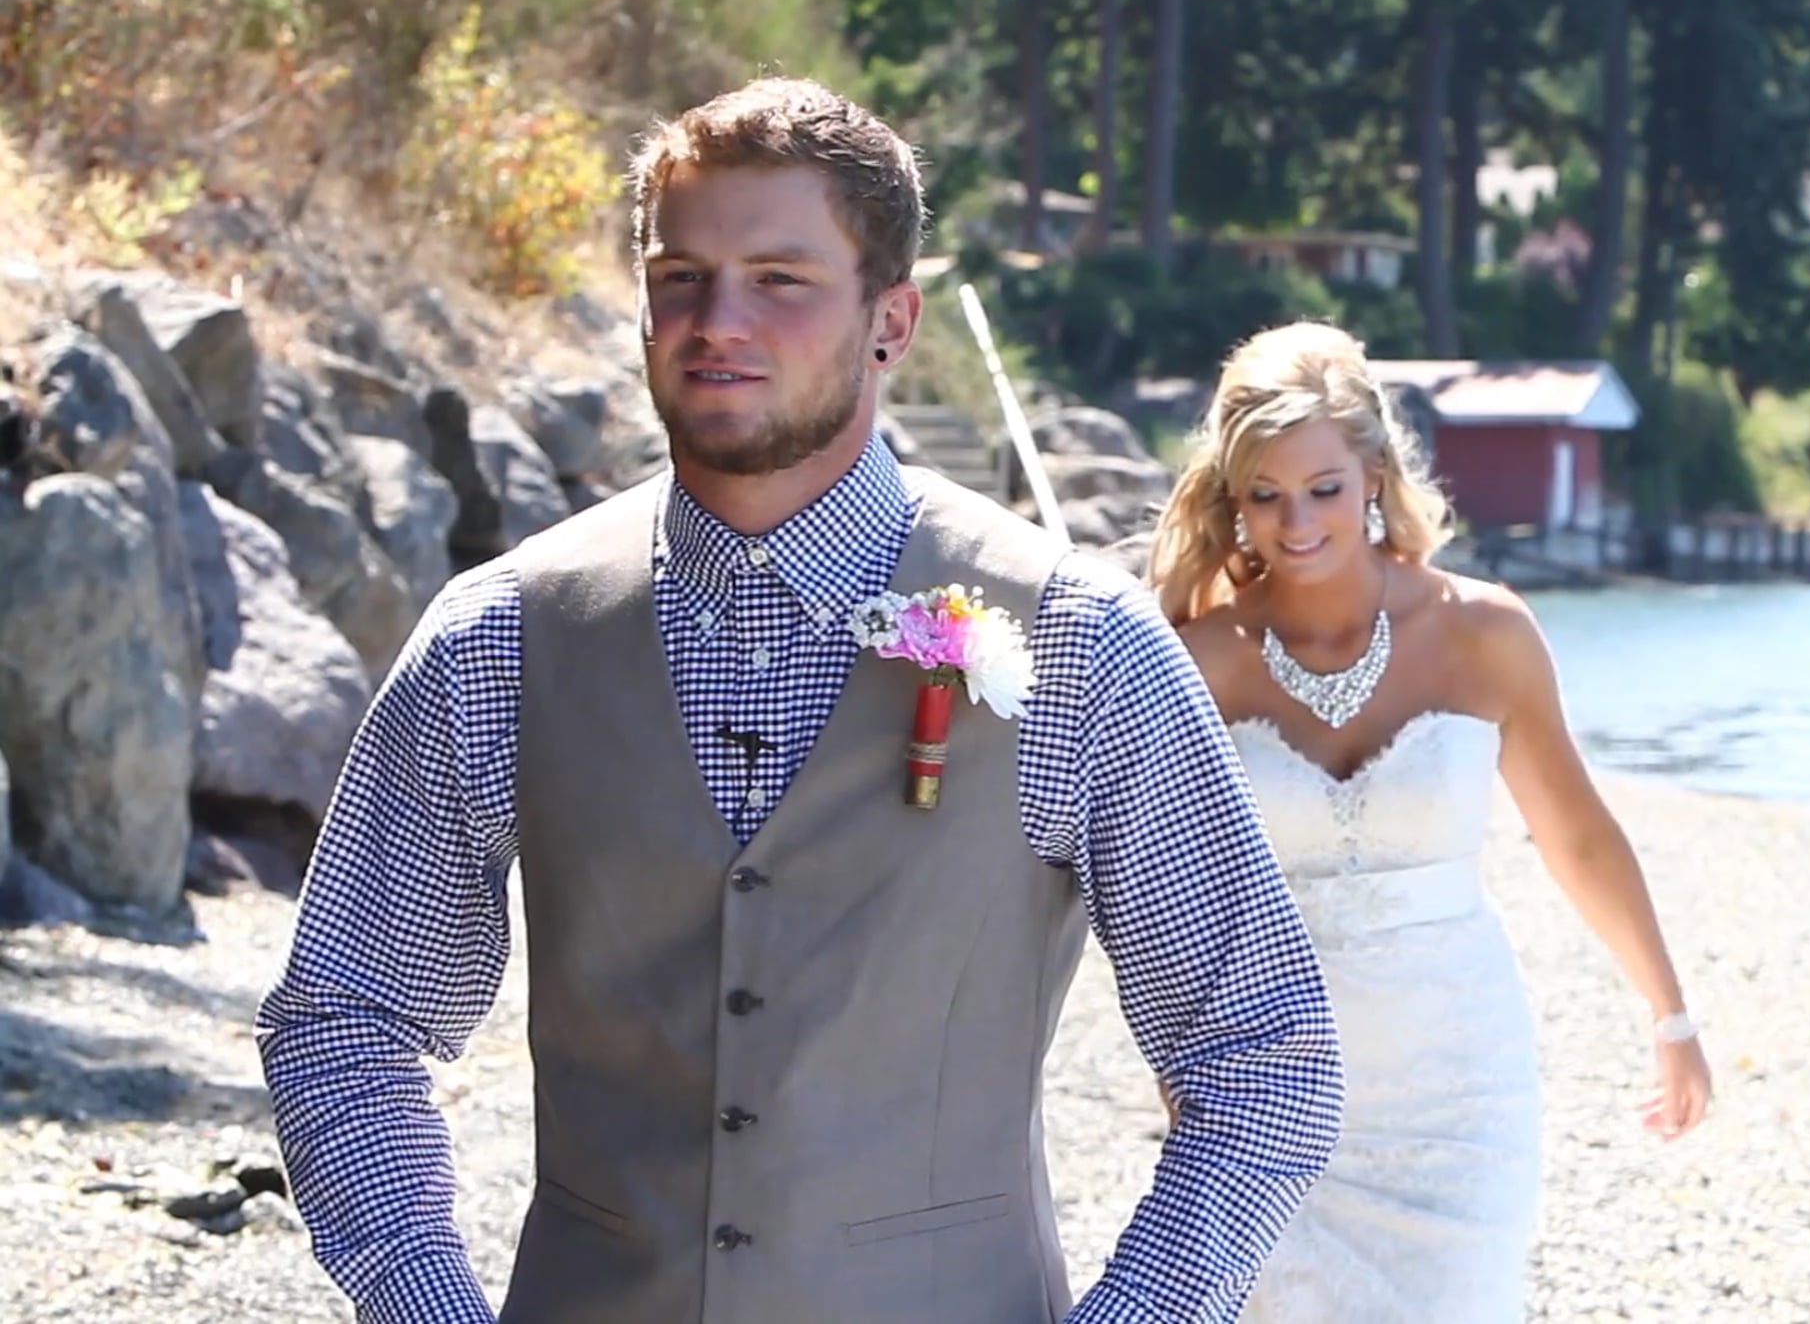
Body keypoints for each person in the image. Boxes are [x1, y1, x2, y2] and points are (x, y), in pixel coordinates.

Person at [254, 77, 1344, 1324]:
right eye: (680, 277)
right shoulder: (500, 635)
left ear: (892, 322)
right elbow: (344, 1016)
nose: (717, 321)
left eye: (779, 279)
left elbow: (1263, 1055)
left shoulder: (1080, 641)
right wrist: (425, 1301)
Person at [1145, 321, 1713, 1322]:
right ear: (1233, 500)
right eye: (1265, 496)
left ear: (1373, 474)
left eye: (1323, 488)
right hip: (1271, 1084)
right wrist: (1181, 1070)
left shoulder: (1483, 632)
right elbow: (1158, 897)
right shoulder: (1201, 660)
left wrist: (1671, 1014)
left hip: (1460, 1084)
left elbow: (1577, 835)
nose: (1297, 522)